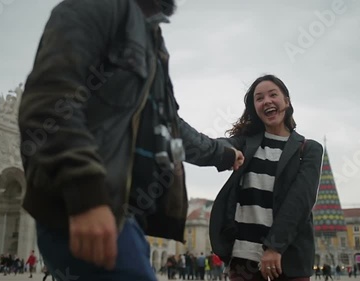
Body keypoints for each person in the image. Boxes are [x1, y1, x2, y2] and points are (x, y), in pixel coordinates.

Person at [17, 0, 244, 280]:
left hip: (121, 212)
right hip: (83, 204)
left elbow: (171, 128)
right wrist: (85, 195)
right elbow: (50, 105)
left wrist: (222, 153)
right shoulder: (93, 7)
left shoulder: (152, 40)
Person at [210, 74, 324, 281]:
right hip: (243, 259)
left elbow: (299, 202)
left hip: (288, 259)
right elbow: (219, 145)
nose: (267, 101)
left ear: (287, 102)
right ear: (255, 108)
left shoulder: (308, 149)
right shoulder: (245, 144)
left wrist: (274, 247)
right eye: (259, 98)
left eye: (273, 95)